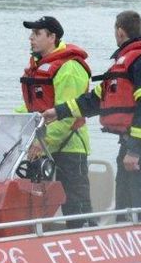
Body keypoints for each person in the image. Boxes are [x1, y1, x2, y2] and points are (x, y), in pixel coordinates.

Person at [42, 10, 141, 219]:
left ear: (119, 31)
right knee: (125, 205)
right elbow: (94, 100)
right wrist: (58, 112)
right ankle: (125, 240)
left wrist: (136, 150)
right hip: (131, 144)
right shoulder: (125, 63)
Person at [18, 15, 93, 221]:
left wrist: (44, 143)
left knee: (76, 203)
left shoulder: (69, 68)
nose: (31, 38)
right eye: (31, 34)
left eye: (36, 34)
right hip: (42, 145)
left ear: (52, 37)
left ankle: (83, 234)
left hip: (69, 147)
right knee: (37, 201)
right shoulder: (39, 65)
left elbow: (67, 115)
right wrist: (4, 121)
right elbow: (33, 108)